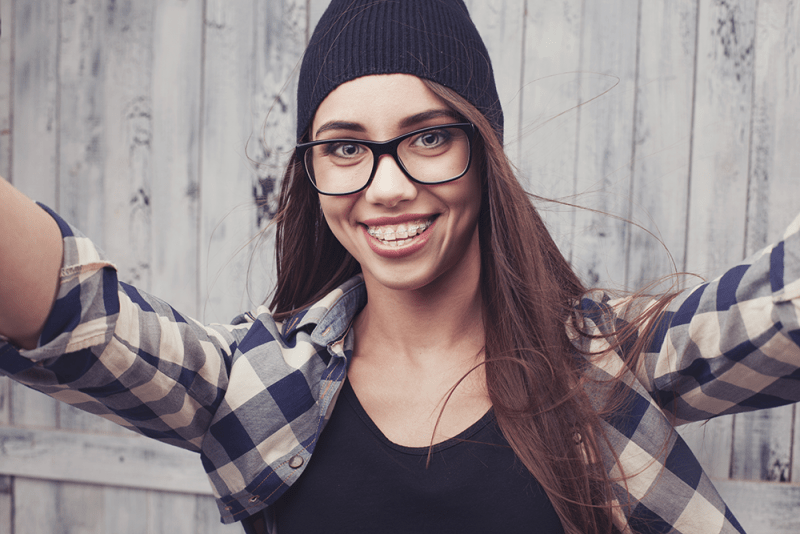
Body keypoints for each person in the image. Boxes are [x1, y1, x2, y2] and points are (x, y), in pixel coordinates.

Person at [1, 0, 799, 533]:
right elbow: (77, 317)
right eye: (345, 147)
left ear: (483, 152)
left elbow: (785, 308)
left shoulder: (612, 363)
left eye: (427, 137)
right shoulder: (254, 385)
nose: (386, 188)